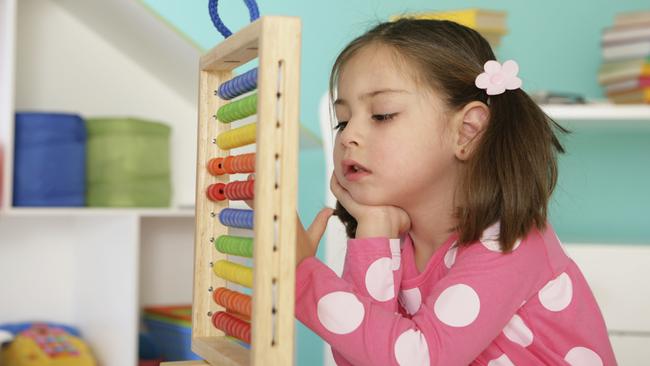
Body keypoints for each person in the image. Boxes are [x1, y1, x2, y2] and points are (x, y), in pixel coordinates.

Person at [294, 18, 616, 365]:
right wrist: (374, 232)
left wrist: (300, 277)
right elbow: (362, 356)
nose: (348, 135)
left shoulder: (509, 243)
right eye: (342, 121)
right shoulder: (396, 243)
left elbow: (416, 359)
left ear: (467, 131)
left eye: (382, 115)